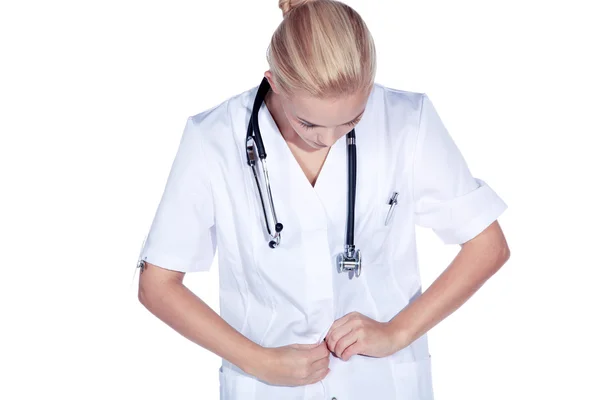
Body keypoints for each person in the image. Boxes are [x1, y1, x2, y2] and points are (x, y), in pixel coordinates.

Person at [135, 0, 510, 399]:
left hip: (383, 384)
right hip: (268, 388)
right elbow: (158, 284)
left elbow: (487, 245)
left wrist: (396, 333)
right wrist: (257, 360)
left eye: (352, 120)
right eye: (308, 122)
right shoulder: (212, 139)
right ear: (274, 81)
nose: (327, 138)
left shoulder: (406, 121)